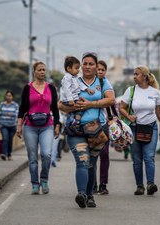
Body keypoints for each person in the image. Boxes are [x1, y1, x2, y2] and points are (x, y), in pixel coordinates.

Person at [58, 52, 115, 208]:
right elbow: (60, 105)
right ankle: (82, 194)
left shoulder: (102, 82)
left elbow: (111, 100)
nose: (88, 66)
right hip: (75, 130)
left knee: (91, 164)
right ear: (80, 66)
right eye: (85, 63)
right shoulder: (71, 80)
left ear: (97, 66)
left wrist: (91, 104)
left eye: (91, 64)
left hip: (96, 130)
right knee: (82, 161)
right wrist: (73, 106)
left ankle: (90, 195)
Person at [119, 65, 160, 196]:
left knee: (149, 157)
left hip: (150, 127)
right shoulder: (130, 91)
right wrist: (128, 116)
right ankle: (139, 186)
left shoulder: (154, 93)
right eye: (134, 74)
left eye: (137, 74)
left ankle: (150, 184)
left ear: (144, 76)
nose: (134, 76)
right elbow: (121, 107)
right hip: (134, 127)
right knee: (137, 159)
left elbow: (159, 112)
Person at [16, 61, 60, 195]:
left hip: (47, 126)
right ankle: (35, 183)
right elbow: (22, 108)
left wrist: (57, 125)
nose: (42, 72)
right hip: (30, 126)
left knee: (46, 154)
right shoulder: (27, 88)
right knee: (33, 157)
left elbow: (55, 109)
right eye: (39, 70)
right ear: (34, 72)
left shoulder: (51, 88)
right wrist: (19, 125)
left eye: (44, 70)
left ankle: (44, 180)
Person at [60, 56, 94, 131]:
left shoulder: (75, 77)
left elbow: (80, 85)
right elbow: (66, 89)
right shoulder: (67, 78)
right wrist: (70, 99)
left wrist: (87, 89)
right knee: (82, 106)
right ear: (69, 69)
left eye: (78, 68)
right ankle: (73, 122)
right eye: (76, 68)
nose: (78, 70)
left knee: (73, 112)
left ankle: (74, 122)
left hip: (74, 98)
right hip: (69, 99)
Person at [93, 60, 112, 195]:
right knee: (92, 155)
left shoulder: (106, 83)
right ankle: (92, 184)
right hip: (89, 124)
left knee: (104, 154)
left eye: (102, 70)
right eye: (98, 69)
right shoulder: (87, 82)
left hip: (103, 123)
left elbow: (111, 101)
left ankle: (103, 184)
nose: (100, 72)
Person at [0, 90, 19, 161]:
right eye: (7, 95)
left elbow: (17, 115)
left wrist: (11, 114)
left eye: (10, 96)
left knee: (10, 140)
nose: (8, 97)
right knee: (5, 139)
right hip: (4, 125)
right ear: (5, 96)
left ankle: (9, 154)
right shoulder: (2, 104)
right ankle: (4, 154)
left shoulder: (15, 105)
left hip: (12, 126)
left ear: (12, 97)